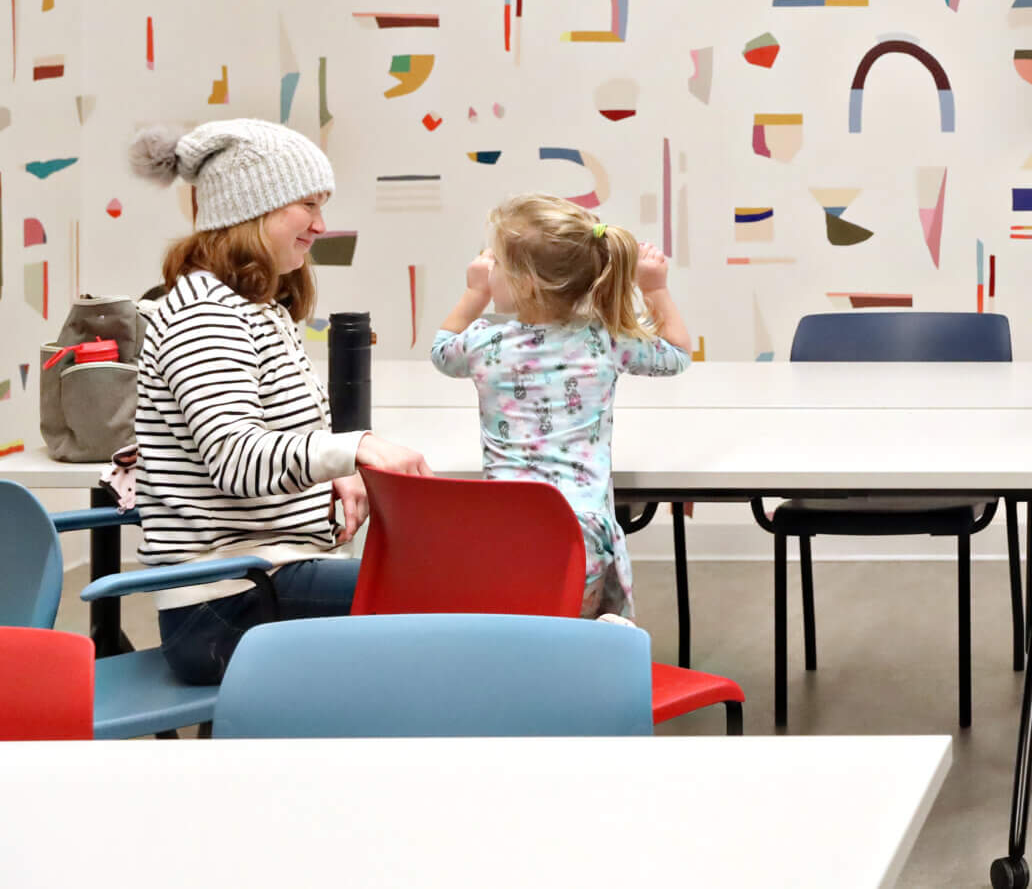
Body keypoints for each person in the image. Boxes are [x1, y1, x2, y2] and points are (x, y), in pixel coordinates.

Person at [127, 120, 431, 685]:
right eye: (308, 205)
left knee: (448, 594)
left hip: (264, 579)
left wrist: (328, 473)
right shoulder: (206, 316)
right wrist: (354, 449)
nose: (321, 225)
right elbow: (238, 457)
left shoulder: (253, 308)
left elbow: (268, 434)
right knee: (450, 597)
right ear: (253, 209)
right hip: (227, 607)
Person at [430, 194, 692, 618]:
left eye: (494, 262)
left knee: (521, 640)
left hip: (505, 532)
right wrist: (656, 289)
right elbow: (677, 355)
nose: (486, 266)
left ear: (527, 282)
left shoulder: (483, 341)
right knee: (576, 637)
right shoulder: (606, 339)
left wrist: (473, 292)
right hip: (582, 532)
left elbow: (442, 352)